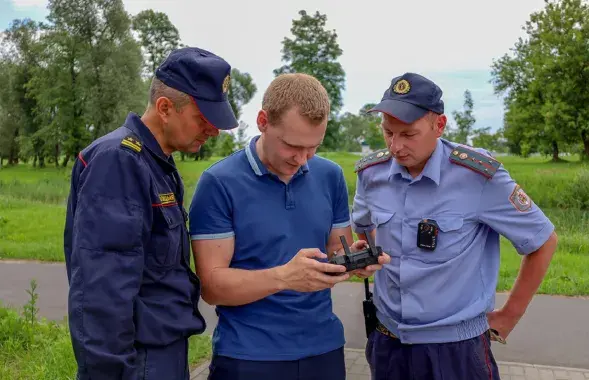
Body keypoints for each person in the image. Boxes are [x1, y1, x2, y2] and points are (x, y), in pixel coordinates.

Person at [351, 72, 558, 380]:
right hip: (388, 342)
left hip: (456, 351)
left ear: (439, 126)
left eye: (408, 134)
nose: (395, 146)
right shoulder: (372, 173)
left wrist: (509, 316)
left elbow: (543, 240)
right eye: (388, 132)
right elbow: (365, 228)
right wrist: (366, 254)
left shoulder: (477, 175)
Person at [188, 72, 390, 380]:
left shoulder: (331, 176)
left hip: (324, 349)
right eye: (291, 145)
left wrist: (352, 261)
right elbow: (213, 287)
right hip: (247, 355)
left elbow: (336, 249)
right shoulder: (218, 183)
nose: (302, 159)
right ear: (262, 121)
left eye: (313, 147)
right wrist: (284, 277)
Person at [63, 47, 239, 380]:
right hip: (139, 360)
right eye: (204, 119)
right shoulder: (120, 160)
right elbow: (103, 287)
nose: (214, 130)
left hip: (163, 351)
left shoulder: (156, 162)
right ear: (165, 108)